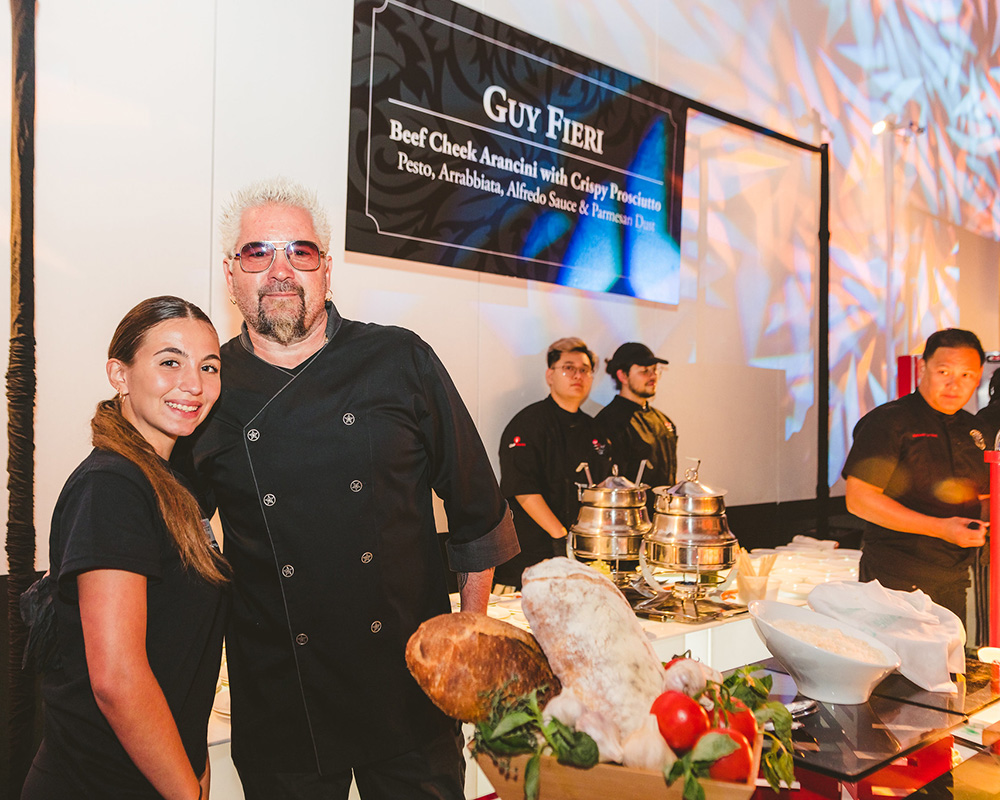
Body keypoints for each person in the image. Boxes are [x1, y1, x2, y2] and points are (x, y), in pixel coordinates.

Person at [181, 177, 518, 800]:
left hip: (409, 690)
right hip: (283, 700)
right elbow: (183, 539)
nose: (280, 270)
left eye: (300, 252)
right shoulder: (208, 389)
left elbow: (476, 510)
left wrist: (466, 653)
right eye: (258, 253)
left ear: (326, 270)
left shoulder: (399, 358)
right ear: (231, 275)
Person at [21, 297, 228, 800]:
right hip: (98, 782)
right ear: (120, 373)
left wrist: (193, 764)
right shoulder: (112, 487)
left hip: (154, 772)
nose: (194, 384)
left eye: (209, 366)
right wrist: (186, 791)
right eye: (170, 362)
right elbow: (117, 678)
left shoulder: (170, 483)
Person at [842, 328, 990, 623]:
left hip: (955, 578)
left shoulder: (975, 430)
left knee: (946, 667)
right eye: (944, 371)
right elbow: (859, 500)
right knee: (898, 667)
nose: (954, 385)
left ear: (979, 377)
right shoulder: (889, 421)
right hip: (894, 581)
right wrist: (941, 528)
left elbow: (984, 498)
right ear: (923, 367)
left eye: (966, 376)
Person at [494, 337, 612, 588]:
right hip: (529, 562)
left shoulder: (595, 430)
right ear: (550, 375)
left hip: (580, 556)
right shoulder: (528, 424)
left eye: (584, 370)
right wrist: (560, 536)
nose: (577, 375)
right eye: (568, 368)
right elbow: (523, 489)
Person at [594, 342, 677, 504]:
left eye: (655, 370)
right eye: (644, 371)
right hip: (631, 521)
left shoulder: (664, 421)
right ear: (623, 376)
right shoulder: (608, 422)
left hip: (665, 517)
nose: (652, 376)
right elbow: (609, 484)